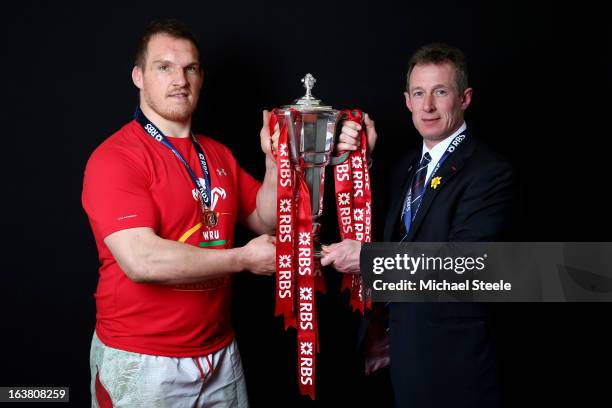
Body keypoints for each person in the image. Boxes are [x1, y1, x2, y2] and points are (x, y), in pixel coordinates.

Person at [82, 18, 281, 407]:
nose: (180, 79)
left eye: (190, 68)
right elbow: (142, 260)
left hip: (220, 355)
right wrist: (242, 259)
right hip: (143, 359)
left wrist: (273, 163)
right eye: (164, 67)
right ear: (138, 76)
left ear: (201, 77)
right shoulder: (116, 158)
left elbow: (266, 218)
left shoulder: (217, 153)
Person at [321, 43, 517, 407]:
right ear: (407, 101)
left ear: (465, 98)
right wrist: (359, 166)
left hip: (456, 371)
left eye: (440, 92)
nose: (427, 106)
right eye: (419, 93)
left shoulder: (490, 172)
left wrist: (369, 260)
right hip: (402, 362)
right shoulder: (406, 166)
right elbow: (391, 231)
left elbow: (464, 265)